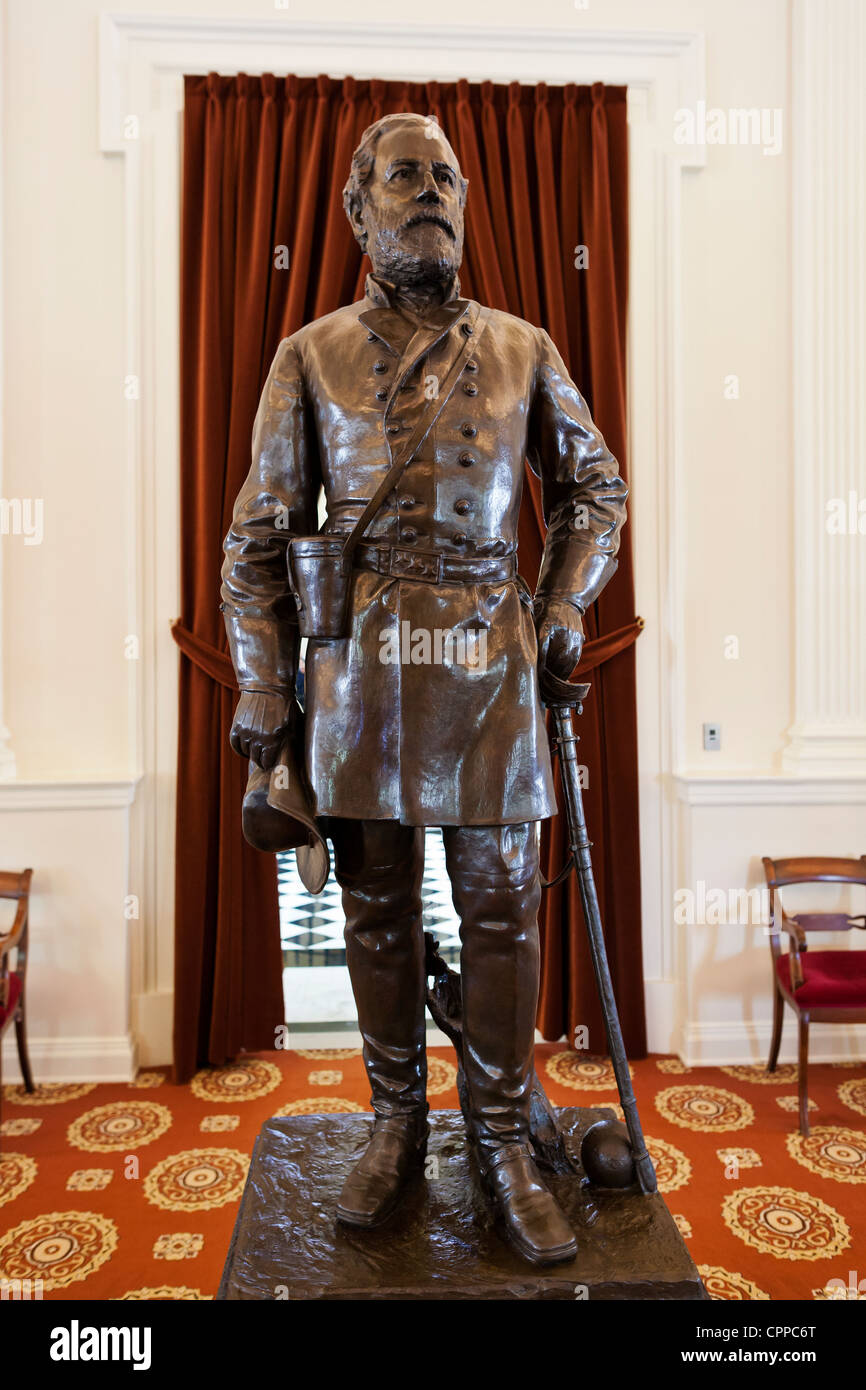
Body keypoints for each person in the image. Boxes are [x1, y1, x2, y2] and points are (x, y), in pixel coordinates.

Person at [221, 112, 627, 1265]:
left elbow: (595, 489)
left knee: (502, 912)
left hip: (490, 675)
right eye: (407, 176)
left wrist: (557, 607)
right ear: (358, 209)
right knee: (377, 914)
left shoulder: (522, 347)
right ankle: (395, 1120)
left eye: (446, 176)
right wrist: (261, 681)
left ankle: (499, 1139)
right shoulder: (308, 355)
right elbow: (254, 539)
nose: (433, 192)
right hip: (356, 681)